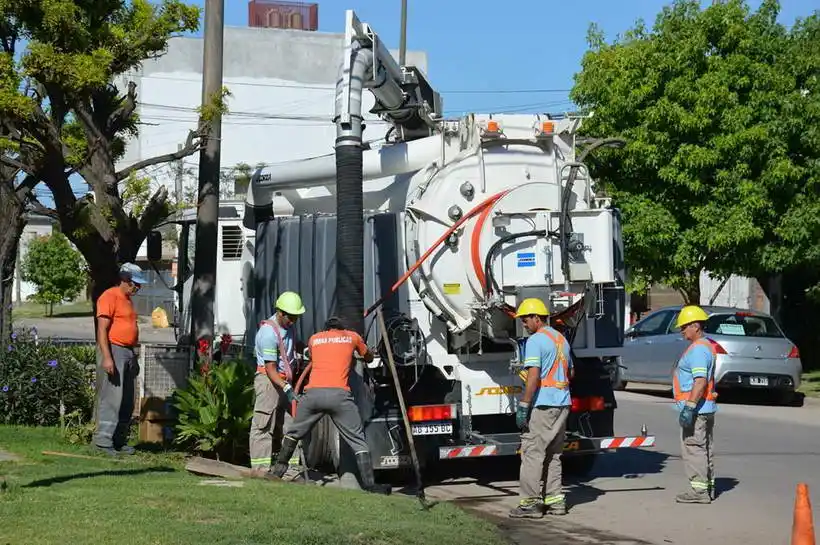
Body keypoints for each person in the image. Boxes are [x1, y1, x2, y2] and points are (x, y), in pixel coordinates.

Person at [267, 316, 391, 495]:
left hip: (313, 396)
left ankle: (278, 471)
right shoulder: (352, 336)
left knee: (294, 433)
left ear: (326, 329)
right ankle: (370, 485)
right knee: (358, 440)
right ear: (342, 328)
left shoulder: (315, 338)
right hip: (339, 397)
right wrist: (359, 355)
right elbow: (369, 358)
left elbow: (312, 356)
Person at [509, 298, 573, 519]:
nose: (524, 324)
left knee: (532, 453)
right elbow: (571, 374)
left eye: (526, 319)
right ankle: (556, 501)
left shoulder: (535, 341)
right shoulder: (561, 339)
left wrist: (524, 405)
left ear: (537, 318)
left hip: (543, 404)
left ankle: (530, 503)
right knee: (553, 454)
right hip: (563, 402)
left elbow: (534, 376)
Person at [93, 262, 149, 456]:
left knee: (127, 400)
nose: (138, 287)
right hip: (114, 350)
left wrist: (133, 355)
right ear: (125, 279)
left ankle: (119, 440)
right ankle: (102, 442)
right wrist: (107, 357)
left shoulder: (127, 299)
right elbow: (102, 330)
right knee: (112, 397)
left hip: (127, 352)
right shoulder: (109, 296)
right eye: (136, 283)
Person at [249, 291, 304, 474]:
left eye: (296, 317)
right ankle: (261, 470)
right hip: (269, 381)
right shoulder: (268, 333)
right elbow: (271, 368)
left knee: (290, 426)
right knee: (263, 425)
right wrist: (286, 386)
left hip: (284, 382)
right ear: (280, 312)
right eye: (291, 317)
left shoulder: (289, 327)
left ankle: (291, 469)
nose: (293, 321)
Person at [673, 305, 718, 504]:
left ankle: (699, 491)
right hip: (705, 407)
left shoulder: (699, 349)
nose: (682, 331)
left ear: (696, 326)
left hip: (697, 408)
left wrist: (690, 407)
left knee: (694, 447)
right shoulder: (706, 346)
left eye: (684, 327)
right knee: (704, 447)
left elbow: (699, 381)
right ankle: (707, 487)